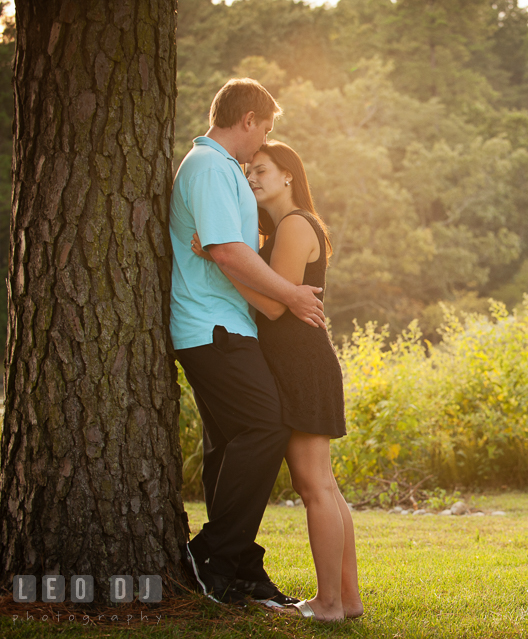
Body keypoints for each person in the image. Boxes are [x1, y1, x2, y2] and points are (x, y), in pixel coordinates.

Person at [169, 78, 326, 606]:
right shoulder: (212, 166)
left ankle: (237, 568)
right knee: (267, 424)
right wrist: (293, 296)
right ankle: (214, 550)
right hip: (212, 327)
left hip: (225, 325)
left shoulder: (217, 168)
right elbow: (228, 253)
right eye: (266, 127)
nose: (263, 138)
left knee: (230, 444)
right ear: (249, 120)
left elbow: (236, 247)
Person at [191, 141, 363, 621]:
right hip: (298, 365)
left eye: (262, 170)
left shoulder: (293, 224)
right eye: (248, 173)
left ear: (289, 175)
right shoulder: (286, 227)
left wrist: (217, 258)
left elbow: (271, 305)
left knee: (314, 488)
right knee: (324, 487)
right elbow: (277, 295)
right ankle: (347, 601)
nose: (252, 179)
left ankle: (328, 602)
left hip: (302, 367)